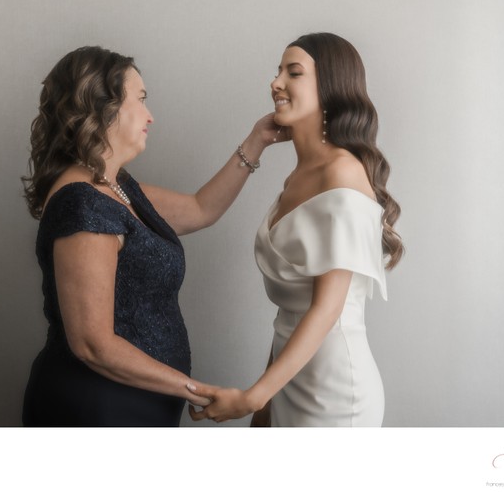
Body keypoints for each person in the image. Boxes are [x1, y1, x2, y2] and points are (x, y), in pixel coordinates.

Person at [21, 45, 284, 426]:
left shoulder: (115, 185)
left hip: (136, 405)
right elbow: (92, 344)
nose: (151, 116)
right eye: (141, 101)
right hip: (96, 409)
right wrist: (195, 389)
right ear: (104, 106)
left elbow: (200, 209)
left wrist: (257, 140)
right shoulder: (81, 204)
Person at [189, 32, 404, 426]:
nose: (276, 83)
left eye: (294, 72)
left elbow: (326, 308)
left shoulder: (342, 171)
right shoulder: (295, 178)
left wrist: (254, 397)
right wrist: (267, 407)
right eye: (277, 72)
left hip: (336, 392)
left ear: (330, 87)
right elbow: (292, 315)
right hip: (289, 383)